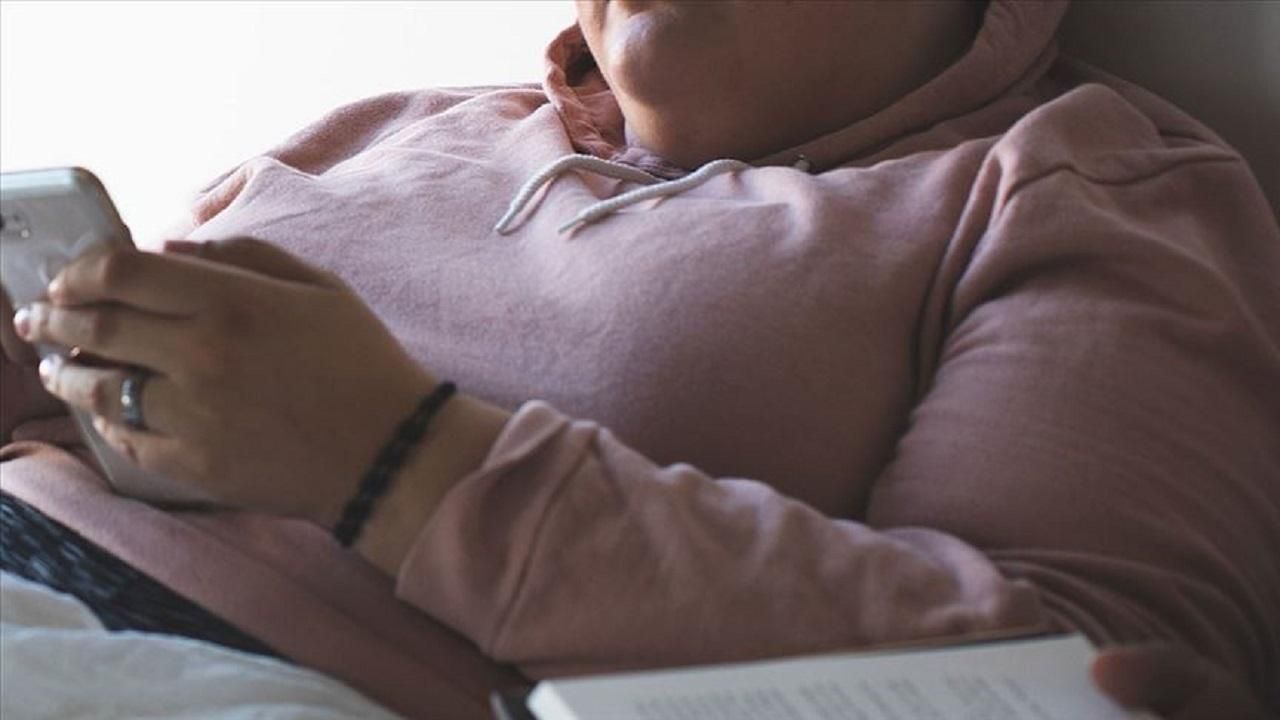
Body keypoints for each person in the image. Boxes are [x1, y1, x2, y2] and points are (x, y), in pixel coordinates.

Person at [2, 0, 1277, 717]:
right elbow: (105, 425)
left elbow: (1078, 679)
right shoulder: (386, 129)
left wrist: (400, 462)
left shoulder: (1073, 186)